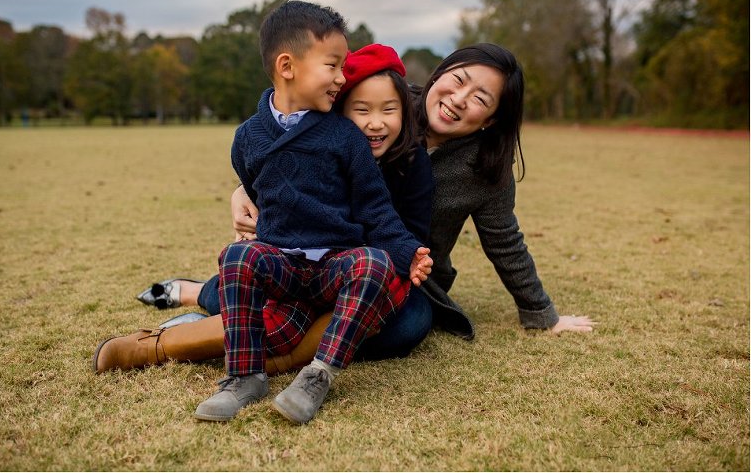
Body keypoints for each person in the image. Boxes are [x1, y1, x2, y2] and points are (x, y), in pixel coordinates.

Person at [97, 42, 596, 385]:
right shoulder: (379, 97)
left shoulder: (486, 169)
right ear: (442, 72)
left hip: (396, 274)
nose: (459, 99)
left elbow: (504, 239)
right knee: (288, 291)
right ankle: (195, 297)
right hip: (310, 252)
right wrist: (241, 190)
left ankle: (222, 329)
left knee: (406, 326)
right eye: (458, 81)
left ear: (493, 117)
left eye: (480, 98)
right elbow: (292, 134)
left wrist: (541, 315)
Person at [189, 0, 432, 424]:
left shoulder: (344, 136)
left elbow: (376, 208)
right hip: (280, 263)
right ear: (288, 66)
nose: (342, 77)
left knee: (372, 263)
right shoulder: (248, 137)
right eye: (333, 66)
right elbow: (255, 188)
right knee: (237, 256)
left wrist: (407, 251)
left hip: (332, 267)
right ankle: (244, 377)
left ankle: (318, 374)